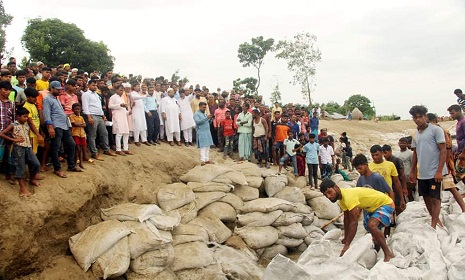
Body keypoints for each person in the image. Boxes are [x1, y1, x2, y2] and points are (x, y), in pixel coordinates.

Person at [320, 180, 396, 262]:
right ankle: (377, 253)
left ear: (336, 187)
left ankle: (388, 254)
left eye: (329, 192)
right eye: (325, 195)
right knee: (371, 231)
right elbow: (347, 219)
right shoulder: (342, 200)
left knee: (372, 225)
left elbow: (354, 222)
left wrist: (347, 245)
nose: (328, 196)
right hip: (374, 209)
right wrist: (345, 238)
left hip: (386, 204)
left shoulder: (348, 196)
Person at [408, 105, 447, 230]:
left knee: (435, 198)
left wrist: (440, 171)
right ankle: (435, 219)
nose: (418, 119)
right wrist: (413, 171)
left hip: (434, 171)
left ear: (426, 116)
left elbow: (443, 150)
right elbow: (415, 153)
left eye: (420, 116)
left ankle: (434, 224)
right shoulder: (415, 134)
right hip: (422, 173)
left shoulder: (435, 130)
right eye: (415, 117)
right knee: (426, 197)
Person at [0, 107, 43, 196]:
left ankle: (32, 179)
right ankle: (22, 189)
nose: (26, 118)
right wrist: (13, 140)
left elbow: (27, 135)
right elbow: (1, 133)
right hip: (18, 148)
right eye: (25, 116)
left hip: (27, 147)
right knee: (20, 167)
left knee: (36, 163)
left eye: (27, 117)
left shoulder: (26, 125)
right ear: (18, 117)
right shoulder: (13, 125)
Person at [42, 81, 81, 178]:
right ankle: (57, 169)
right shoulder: (47, 99)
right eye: (57, 89)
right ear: (51, 88)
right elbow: (46, 114)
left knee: (72, 145)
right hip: (56, 125)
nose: (59, 91)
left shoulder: (56, 98)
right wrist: (50, 127)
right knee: (55, 147)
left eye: (60, 89)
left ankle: (71, 165)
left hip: (64, 125)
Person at [82, 80, 116, 160]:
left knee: (104, 133)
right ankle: (94, 153)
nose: (95, 87)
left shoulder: (97, 95)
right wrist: (89, 117)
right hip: (92, 115)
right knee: (92, 135)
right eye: (93, 85)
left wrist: (103, 115)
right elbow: (85, 106)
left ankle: (106, 150)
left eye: (95, 85)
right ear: (89, 85)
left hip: (99, 116)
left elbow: (99, 106)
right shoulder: (86, 94)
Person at [370, 145, 406, 215]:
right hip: (375, 199)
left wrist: (402, 198)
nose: (375, 157)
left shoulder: (390, 165)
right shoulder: (369, 167)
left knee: (388, 219)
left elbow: (396, 181)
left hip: (388, 198)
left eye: (377, 155)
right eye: (373, 155)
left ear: (382, 153)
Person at [109, 85, 133, 155]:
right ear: (116, 90)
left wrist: (128, 112)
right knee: (119, 133)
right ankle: (118, 149)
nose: (121, 91)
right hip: (117, 115)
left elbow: (123, 109)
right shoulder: (113, 97)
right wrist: (119, 105)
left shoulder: (122, 98)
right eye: (120, 90)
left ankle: (126, 149)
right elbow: (110, 106)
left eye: (122, 90)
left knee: (126, 132)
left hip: (123, 116)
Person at [69, 103, 89, 169]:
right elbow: (74, 124)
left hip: (82, 134)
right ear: (73, 110)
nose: (77, 110)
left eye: (78, 109)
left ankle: (80, 163)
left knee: (80, 149)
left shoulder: (81, 117)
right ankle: (75, 163)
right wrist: (80, 124)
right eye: (75, 109)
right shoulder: (71, 116)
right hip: (75, 134)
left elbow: (85, 125)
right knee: (77, 149)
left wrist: (79, 124)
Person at [395, 137, 414, 201]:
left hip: (408, 177)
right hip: (400, 177)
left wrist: (414, 176)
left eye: (404, 143)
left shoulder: (411, 153)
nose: (402, 144)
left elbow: (413, 165)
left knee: (410, 193)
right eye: (401, 143)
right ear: (398, 144)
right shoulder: (396, 155)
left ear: (407, 144)